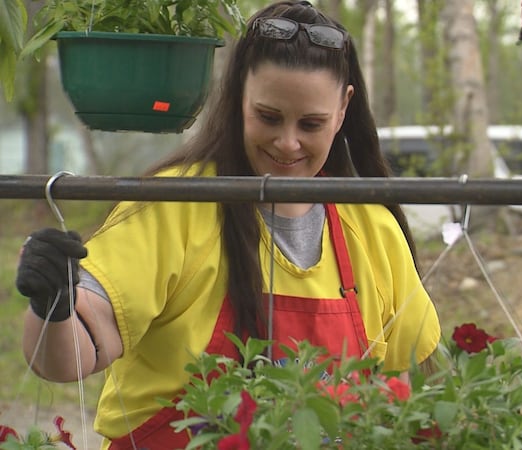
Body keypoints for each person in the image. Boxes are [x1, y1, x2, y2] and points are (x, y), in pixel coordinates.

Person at [14, 1, 441, 448]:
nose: (288, 142)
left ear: (342, 109)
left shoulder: (372, 229)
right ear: (238, 96)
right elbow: (69, 358)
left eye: (311, 124)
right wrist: (52, 305)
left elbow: (427, 388)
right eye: (269, 117)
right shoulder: (174, 205)